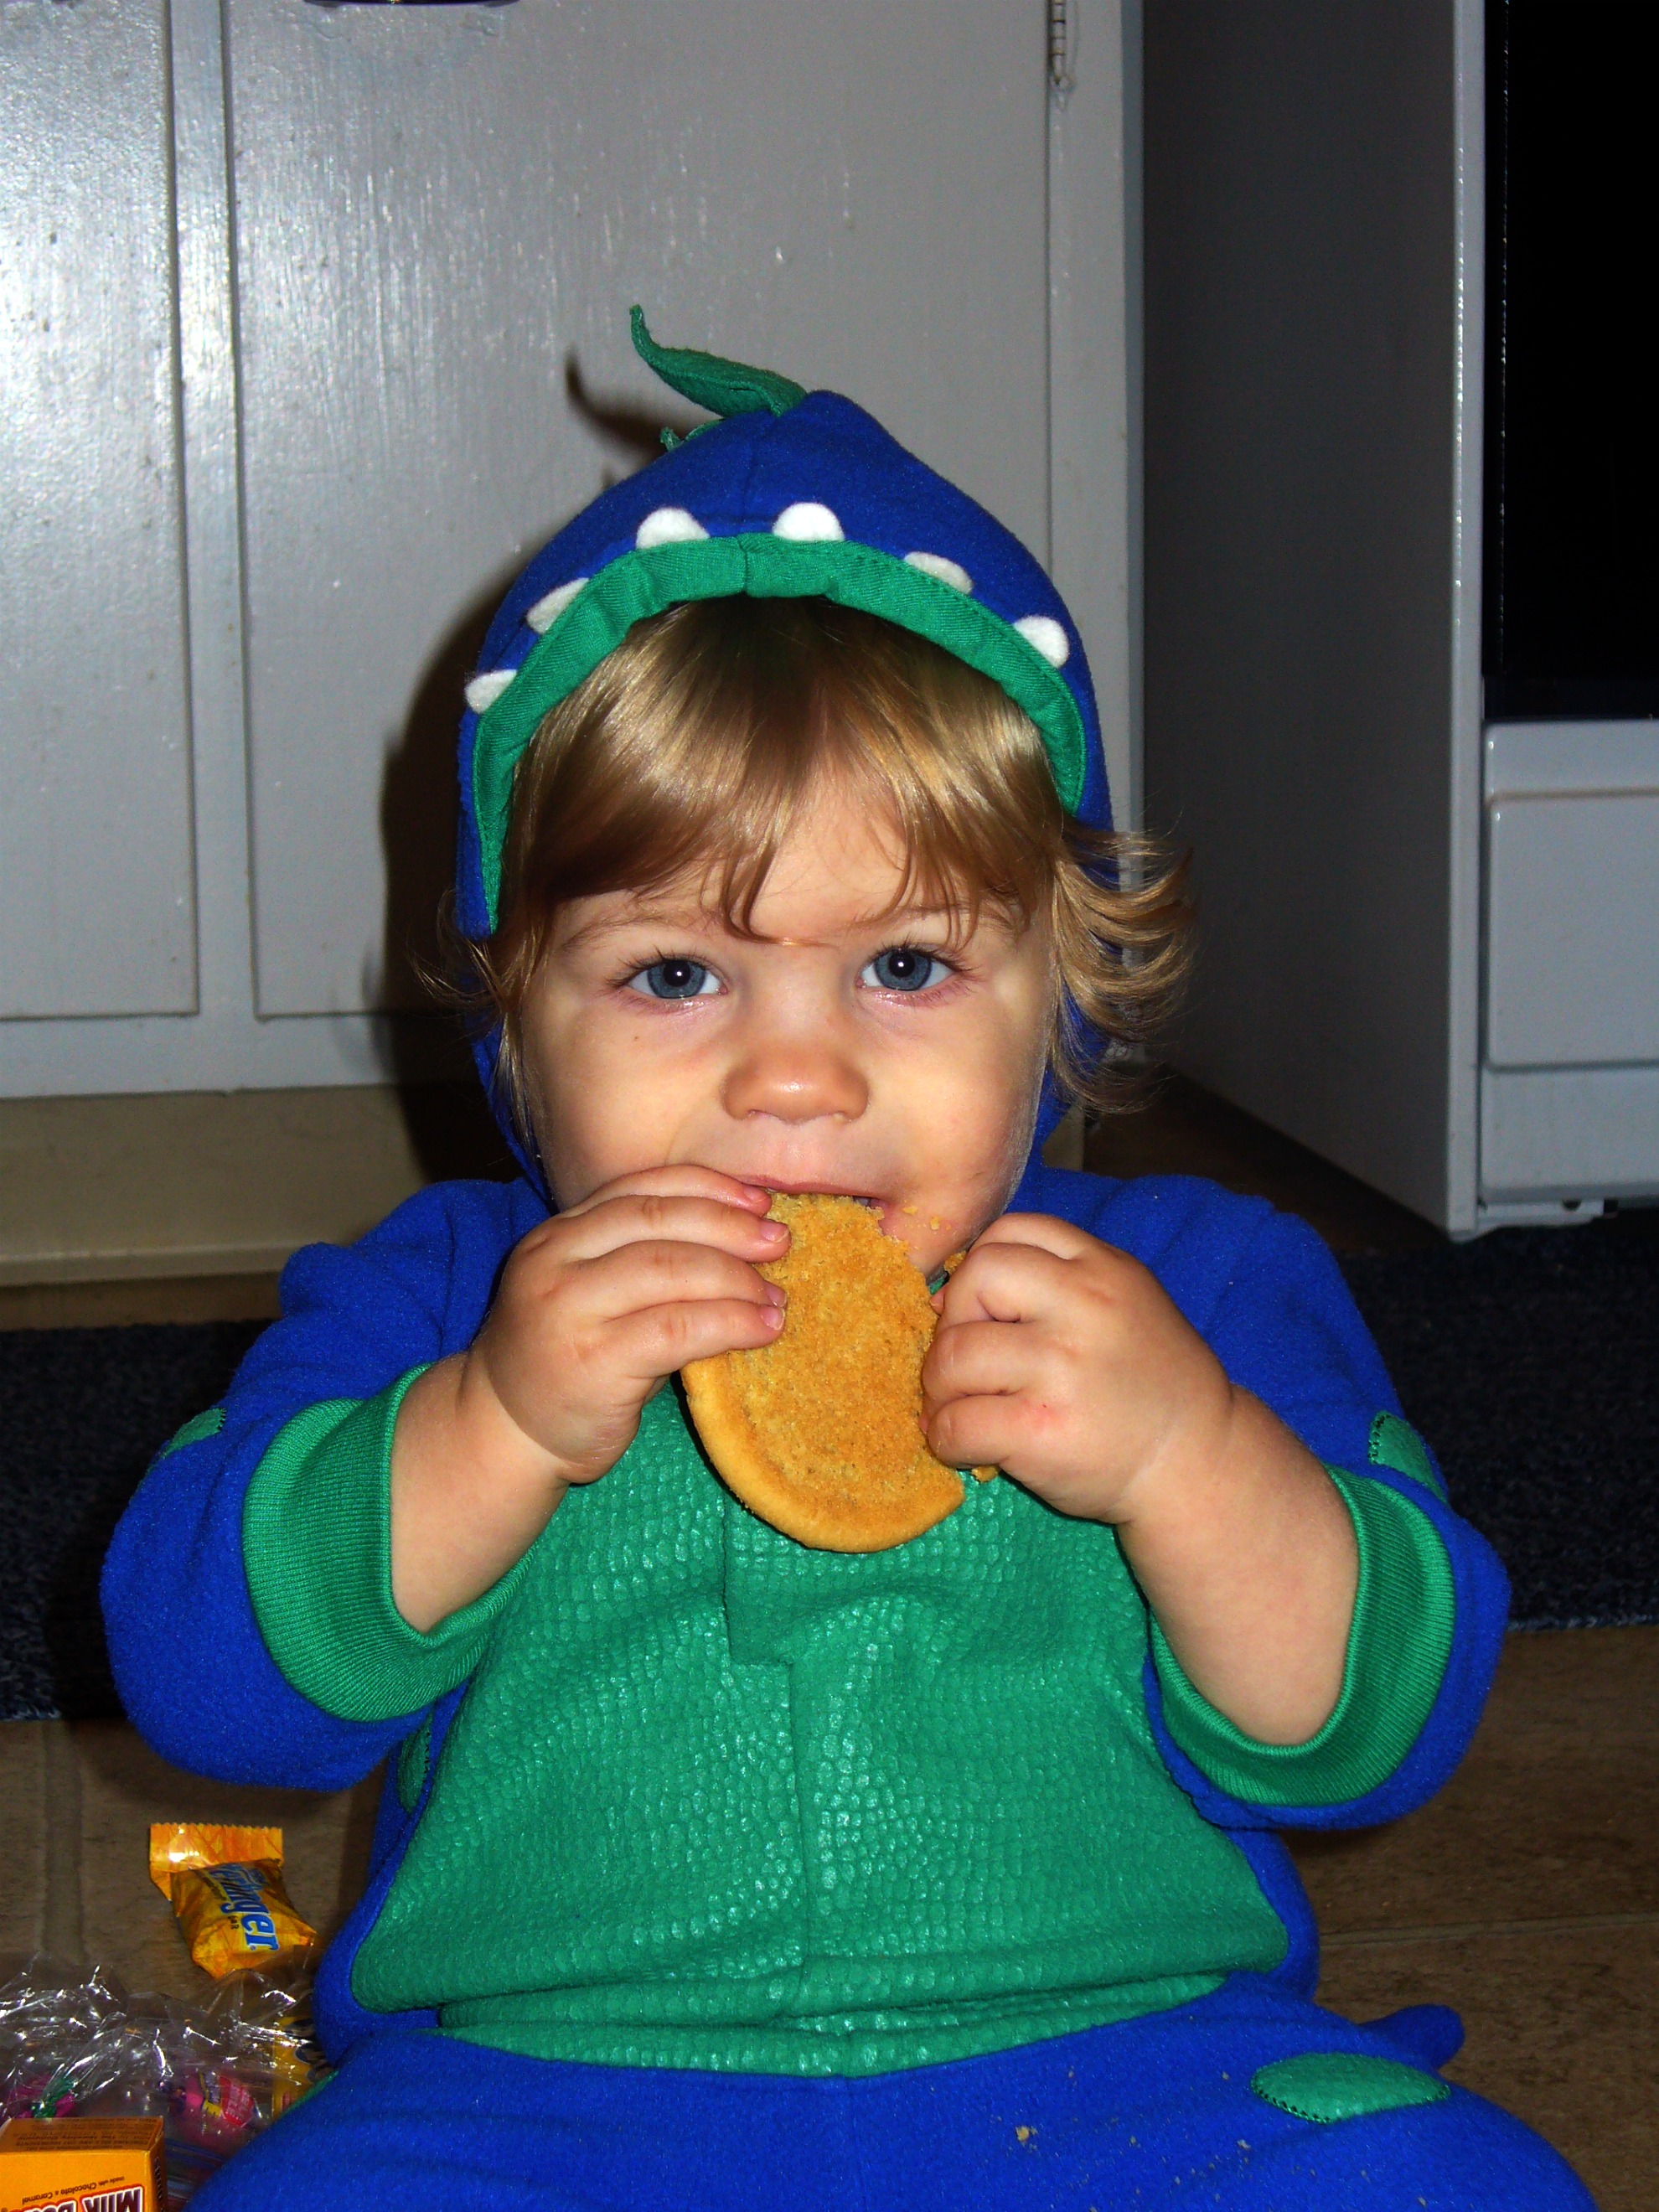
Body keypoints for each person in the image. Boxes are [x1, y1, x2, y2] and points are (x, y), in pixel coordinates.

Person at [102, 314, 1591, 2209]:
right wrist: (491, 1425)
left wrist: (1189, 1459)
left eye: (905, 965)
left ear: (1062, 994)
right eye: (672, 974)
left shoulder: (1204, 1287)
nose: (795, 1078)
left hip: (1134, 2068)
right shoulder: (438, 1297)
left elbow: (1376, 1729)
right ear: (514, 1026)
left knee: (1453, 2184)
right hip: (534, 2097)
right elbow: (208, 1683)